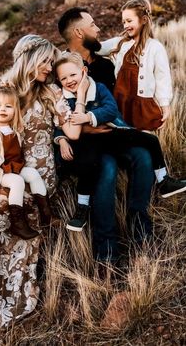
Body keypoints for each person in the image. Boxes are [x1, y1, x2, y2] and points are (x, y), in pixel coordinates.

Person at [0, 34, 86, 329]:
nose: (50, 67)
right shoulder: (3, 92)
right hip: (4, 176)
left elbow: (73, 133)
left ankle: (3, 290)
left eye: (52, 61)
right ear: (29, 57)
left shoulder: (50, 92)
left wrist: (79, 103)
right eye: (46, 60)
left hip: (37, 180)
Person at [57, 7, 156, 264]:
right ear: (79, 32)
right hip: (87, 142)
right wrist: (82, 128)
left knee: (143, 156)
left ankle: (140, 232)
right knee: (107, 168)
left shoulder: (103, 64)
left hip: (112, 133)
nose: (98, 28)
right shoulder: (62, 69)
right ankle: (107, 251)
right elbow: (56, 112)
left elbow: (115, 103)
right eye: (93, 24)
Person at [54, 52, 186, 231]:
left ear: (84, 72)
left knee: (150, 140)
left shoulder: (98, 88)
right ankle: (82, 207)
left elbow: (110, 110)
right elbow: (60, 123)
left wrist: (88, 116)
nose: (69, 80)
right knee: (88, 165)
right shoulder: (62, 100)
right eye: (63, 78)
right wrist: (61, 139)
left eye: (73, 74)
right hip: (86, 142)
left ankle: (164, 180)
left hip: (110, 133)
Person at [0, 81, 58, 240]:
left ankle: (47, 215)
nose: (2, 109)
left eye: (8, 106)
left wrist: (10, 86)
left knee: (32, 173)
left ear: (15, 111)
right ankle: (18, 223)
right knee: (17, 182)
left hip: (15, 166)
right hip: (0, 172)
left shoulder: (13, 127)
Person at [98, 0, 173, 131]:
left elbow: (162, 78)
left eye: (129, 21)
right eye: (123, 22)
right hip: (121, 99)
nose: (125, 25)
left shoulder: (155, 47)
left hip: (141, 104)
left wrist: (165, 104)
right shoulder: (120, 42)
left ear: (144, 20)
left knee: (143, 136)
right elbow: (97, 48)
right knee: (123, 134)